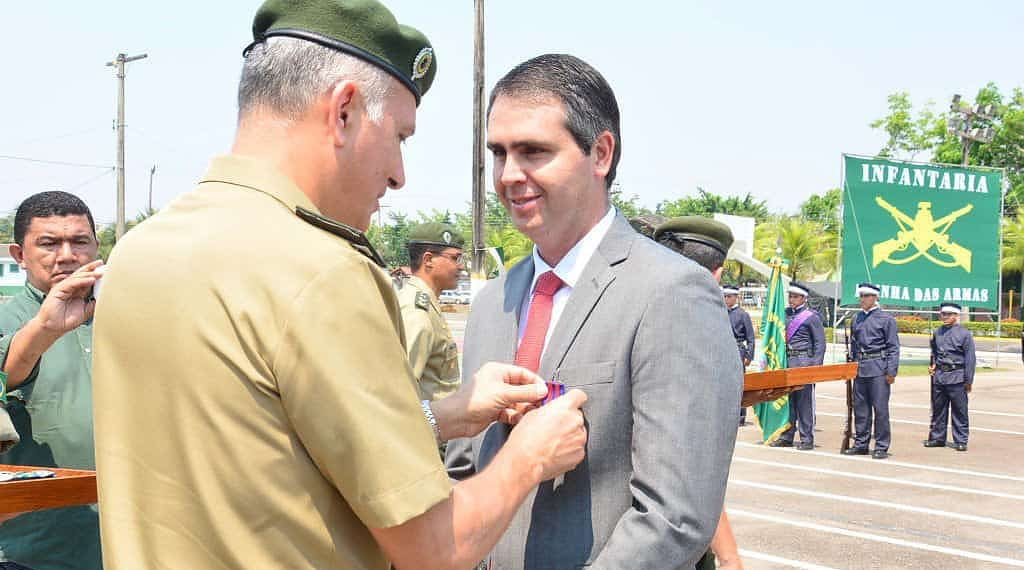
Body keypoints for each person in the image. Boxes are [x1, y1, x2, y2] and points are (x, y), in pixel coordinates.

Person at [91, 2, 588, 568]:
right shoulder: (321, 272)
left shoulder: (141, 251)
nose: (400, 173)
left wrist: (447, 414)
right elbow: (435, 547)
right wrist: (528, 456)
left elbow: (268, 449)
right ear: (345, 110)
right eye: (400, 136)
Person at [446, 54, 742, 569]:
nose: (509, 175)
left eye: (534, 151)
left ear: (600, 152)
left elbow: (675, 519)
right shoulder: (494, 301)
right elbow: (463, 471)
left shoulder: (672, 293)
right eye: (498, 153)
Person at [0, 191, 104, 570]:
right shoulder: (8, 323)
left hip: (130, 545)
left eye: (79, 241)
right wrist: (45, 329)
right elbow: (5, 373)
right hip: (35, 553)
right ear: (19, 256)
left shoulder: (128, 315)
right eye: (49, 243)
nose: (66, 255)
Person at [650, 216, 746, 570]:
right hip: (669, 535)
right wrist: (730, 554)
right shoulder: (699, 326)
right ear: (717, 274)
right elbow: (692, 459)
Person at [398, 222, 466, 402]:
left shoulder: (426, 303)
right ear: (428, 260)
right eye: (455, 258)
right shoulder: (417, 311)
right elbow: (401, 390)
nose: (461, 266)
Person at [843, 282, 900, 459]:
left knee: (880, 409)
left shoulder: (886, 319)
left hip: (878, 368)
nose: (862, 299)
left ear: (875, 297)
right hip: (861, 368)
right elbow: (854, 346)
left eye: (866, 296)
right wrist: (851, 368)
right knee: (861, 409)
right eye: (860, 296)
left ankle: (881, 446)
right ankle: (861, 443)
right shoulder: (856, 318)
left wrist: (891, 371)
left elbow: (893, 347)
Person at [772, 281, 825, 450]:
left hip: (803, 362)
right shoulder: (785, 314)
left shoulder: (811, 316)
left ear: (804, 298)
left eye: (795, 297)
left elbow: (820, 344)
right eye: (790, 296)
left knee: (804, 402)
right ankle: (786, 436)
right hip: (787, 361)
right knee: (787, 402)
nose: (791, 299)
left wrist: (815, 367)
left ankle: (806, 438)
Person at [925, 302, 976, 452]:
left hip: (957, 376)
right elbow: (934, 351)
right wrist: (933, 364)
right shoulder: (937, 332)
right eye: (942, 314)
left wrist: (968, 380)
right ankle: (937, 438)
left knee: (959, 410)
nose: (945, 316)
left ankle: (961, 440)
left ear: (956, 316)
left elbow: (970, 359)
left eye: (948, 314)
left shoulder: (964, 334)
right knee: (938, 409)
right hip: (940, 376)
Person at [723, 284, 755, 426]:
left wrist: (749, 355)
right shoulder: (720, 312)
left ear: (736, 297)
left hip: (737, 350)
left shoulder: (742, 314)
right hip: (722, 349)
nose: (726, 299)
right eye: (724, 296)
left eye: (729, 296)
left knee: (739, 384)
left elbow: (751, 338)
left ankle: (740, 416)